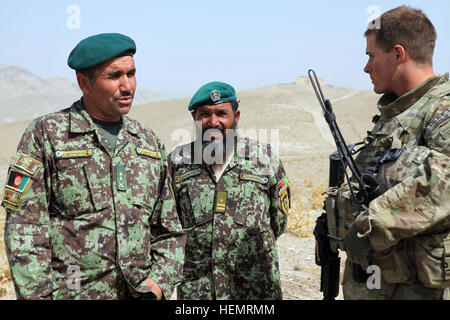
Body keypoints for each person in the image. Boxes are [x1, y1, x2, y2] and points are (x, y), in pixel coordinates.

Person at [1, 33, 186, 300]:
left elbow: (169, 231)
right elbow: (24, 229)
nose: (128, 86)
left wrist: (157, 285)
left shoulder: (147, 142)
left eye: (131, 74)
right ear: (84, 83)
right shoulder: (47, 135)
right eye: (114, 76)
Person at [325, 6, 449, 300]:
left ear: (398, 54)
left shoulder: (441, 111)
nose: (366, 68)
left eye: (371, 56)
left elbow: (444, 183)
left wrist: (371, 225)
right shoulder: (394, 116)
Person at [168, 81, 290, 299]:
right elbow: (168, 224)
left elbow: (278, 222)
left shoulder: (264, 158)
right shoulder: (178, 162)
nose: (213, 122)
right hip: (199, 294)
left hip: (255, 292)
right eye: (204, 114)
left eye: (222, 114)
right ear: (194, 119)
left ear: (236, 116)